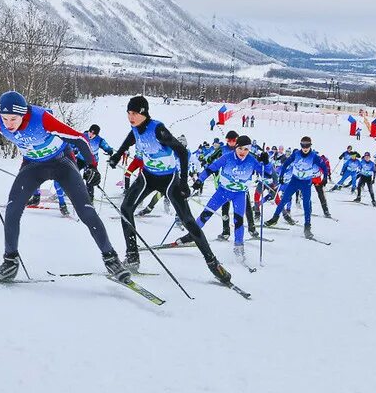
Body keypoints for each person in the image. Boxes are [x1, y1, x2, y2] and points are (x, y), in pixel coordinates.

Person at [0, 90, 129, 283]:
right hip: (33, 166)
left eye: (14, 119)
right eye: (5, 118)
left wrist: (92, 167)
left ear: (24, 114)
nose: (8, 124)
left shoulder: (42, 119)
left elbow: (80, 139)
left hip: (61, 163)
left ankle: (111, 258)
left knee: (86, 210)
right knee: (12, 209)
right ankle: (10, 263)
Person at [108, 95, 231, 283]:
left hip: (169, 179)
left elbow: (181, 152)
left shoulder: (158, 129)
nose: (130, 117)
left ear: (143, 113)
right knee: (126, 208)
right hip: (147, 176)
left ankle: (213, 263)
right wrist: (117, 155)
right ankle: (132, 256)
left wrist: (183, 182)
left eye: (134, 113)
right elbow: (131, 138)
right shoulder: (135, 127)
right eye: (128, 113)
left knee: (188, 220)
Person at [183, 135, 271, 267]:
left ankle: (239, 247)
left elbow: (268, 174)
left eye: (246, 149)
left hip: (240, 194)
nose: (242, 152)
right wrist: (199, 180)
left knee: (238, 221)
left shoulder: (252, 161)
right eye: (240, 148)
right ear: (236, 147)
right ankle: (192, 235)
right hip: (222, 192)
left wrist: (266, 162)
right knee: (206, 214)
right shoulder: (227, 157)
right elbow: (210, 168)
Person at [264, 136, 329, 238]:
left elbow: (324, 167)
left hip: (306, 182)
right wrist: (281, 176)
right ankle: (275, 218)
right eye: (303, 145)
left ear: (310, 146)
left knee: (306, 204)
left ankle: (307, 227)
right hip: (294, 181)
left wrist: (325, 178)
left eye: (307, 145)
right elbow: (285, 164)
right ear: (301, 145)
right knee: (283, 200)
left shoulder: (314, 156)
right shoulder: (296, 154)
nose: (305, 148)